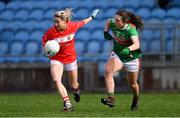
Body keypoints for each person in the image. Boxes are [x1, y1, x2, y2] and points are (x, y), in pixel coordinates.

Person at [42, 8, 99, 112]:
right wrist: (47, 51)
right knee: (56, 80)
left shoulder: (73, 26)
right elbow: (44, 42)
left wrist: (91, 17)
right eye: (55, 22)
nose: (56, 24)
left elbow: (82, 22)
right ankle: (67, 103)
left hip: (70, 58)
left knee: (74, 84)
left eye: (58, 22)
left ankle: (77, 91)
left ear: (66, 21)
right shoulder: (50, 32)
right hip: (57, 59)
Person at [101, 9, 143, 111]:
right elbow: (108, 21)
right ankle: (111, 98)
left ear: (125, 22)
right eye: (115, 19)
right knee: (108, 70)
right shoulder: (113, 22)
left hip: (131, 58)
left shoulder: (130, 29)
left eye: (118, 20)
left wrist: (128, 49)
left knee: (132, 84)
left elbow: (137, 44)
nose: (115, 21)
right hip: (118, 54)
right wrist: (105, 31)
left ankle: (136, 99)